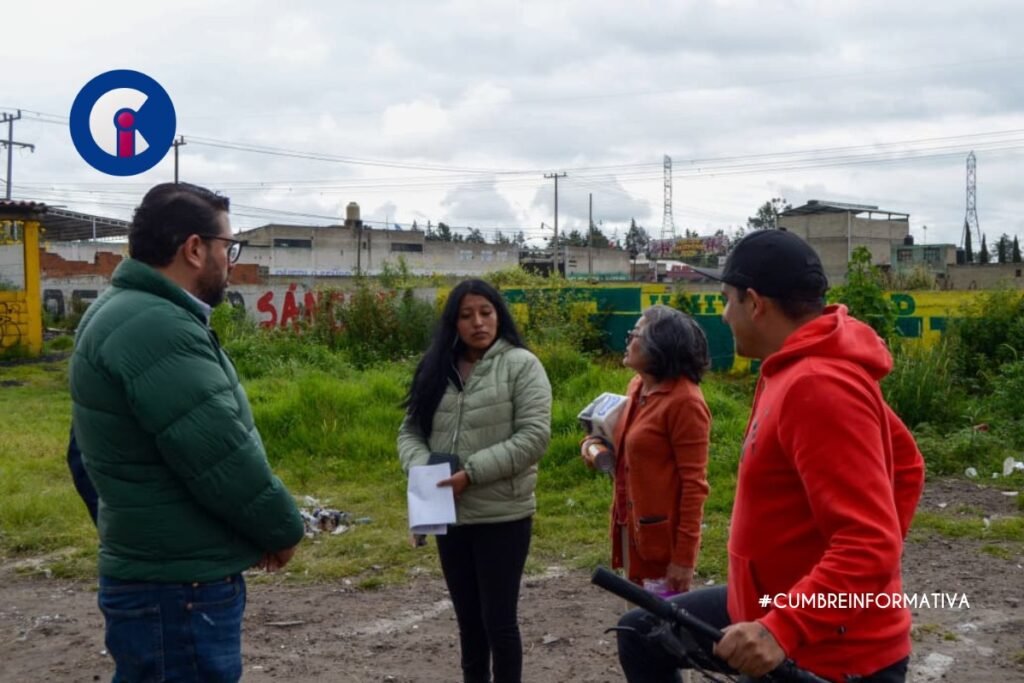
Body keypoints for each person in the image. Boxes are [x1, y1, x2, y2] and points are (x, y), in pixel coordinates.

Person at [616, 230, 925, 683]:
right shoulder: (791, 368)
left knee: (643, 631)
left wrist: (787, 624)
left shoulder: (818, 384)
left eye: (726, 300)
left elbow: (869, 541)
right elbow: (909, 466)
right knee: (643, 630)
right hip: (770, 606)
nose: (723, 315)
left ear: (755, 303)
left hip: (830, 656)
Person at [70, 182, 304, 682]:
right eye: (228, 247)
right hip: (179, 588)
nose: (230, 259)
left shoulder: (126, 311)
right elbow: (219, 456)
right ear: (195, 249)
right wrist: (281, 529)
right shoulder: (155, 326)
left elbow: (82, 458)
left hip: (163, 576)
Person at [398, 278, 552, 683]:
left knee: (499, 623)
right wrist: (423, 471)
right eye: (466, 316)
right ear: (454, 322)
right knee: (469, 625)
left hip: (503, 515)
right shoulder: (436, 367)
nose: (478, 323)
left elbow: (534, 436)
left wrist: (474, 473)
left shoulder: (522, 365)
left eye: (486, 312)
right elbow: (410, 431)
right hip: (449, 515)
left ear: (499, 314)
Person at [581, 305, 711, 594]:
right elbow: (628, 448)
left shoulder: (685, 402)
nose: (628, 339)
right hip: (632, 529)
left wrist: (684, 559)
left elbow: (694, 486)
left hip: (662, 544)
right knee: (636, 619)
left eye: (636, 333)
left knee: (657, 630)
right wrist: (593, 444)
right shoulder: (637, 386)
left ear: (659, 345)